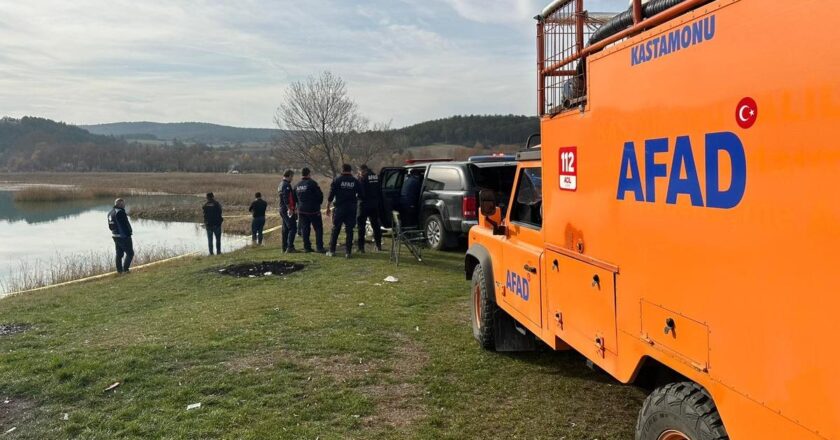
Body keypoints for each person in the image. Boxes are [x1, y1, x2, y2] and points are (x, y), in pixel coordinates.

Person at [326, 164, 363, 258]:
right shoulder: (355, 181)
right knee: (350, 230)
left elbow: (331, 194)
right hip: (351, 208)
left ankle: (332, 250)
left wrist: (327, 206)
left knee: (336, 229)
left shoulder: (337, 180)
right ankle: (348, 252)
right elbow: (362, 194)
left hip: (339, 208)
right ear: (350, 170)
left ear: (342, 170)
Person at [294, 167, 325, 253]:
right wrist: (318, 204)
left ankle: (307, 247)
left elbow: (294, 198)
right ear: (309, 174)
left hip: (302, 210)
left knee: (305, 229)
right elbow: (320, 195)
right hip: (313, 210)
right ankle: (319, 247)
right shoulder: (313, 183)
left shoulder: (297, 185)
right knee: (318, 228)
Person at [356, 164, 383, 252]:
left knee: (361, 226)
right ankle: (378, 245)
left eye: (359, 172)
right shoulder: (376, 177)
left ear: (362, 171)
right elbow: (380, 190)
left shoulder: (362, 178)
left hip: (364, 204)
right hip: (375, 204)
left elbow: (360, 192)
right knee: (376, 225)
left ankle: (361, 247)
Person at [107, 198, 134, 274]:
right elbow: (125, 224)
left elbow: (110, 226)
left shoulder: (110, 213)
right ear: (119, 204)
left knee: (119, 254)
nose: (124, 205)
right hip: (123, 236)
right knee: (130, 253)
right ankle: (126, 270)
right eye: (123, 204)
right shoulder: (120, 212)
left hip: (115, 235)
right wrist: (129, 233)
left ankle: (119, 271)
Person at [278, 169, 298, 253]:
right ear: (289, 175)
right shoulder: (286, 185)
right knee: (293, 227)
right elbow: (286, 198)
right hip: (286, 209)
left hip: (282, 208)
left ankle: (284, 247)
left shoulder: (281, 184)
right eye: (292, 176)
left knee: (285, 229)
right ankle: (290, 247)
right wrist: (290, 208)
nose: (292, 178)